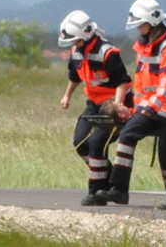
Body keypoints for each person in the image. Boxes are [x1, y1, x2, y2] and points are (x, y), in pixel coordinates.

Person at [95, 0, 166, 210]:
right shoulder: (144, 48)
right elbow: (140, 86)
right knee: (128, 135)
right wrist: (137, 109)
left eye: (141, 23)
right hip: (154, 109)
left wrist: (147, 109)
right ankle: (119, 190)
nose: (138, 28)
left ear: (153, 22)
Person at [57, 10, 131, 206]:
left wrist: (117, 106)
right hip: (94, 104)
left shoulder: (108, 53)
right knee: (80, 142)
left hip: (112, 104)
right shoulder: (76, 52)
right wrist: (67, 95)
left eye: (76, 40)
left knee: (97, 143)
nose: (74, 44)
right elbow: (75, 76)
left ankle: (96, 192)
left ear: (87, 35)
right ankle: (109, 180)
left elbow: (122, 82)